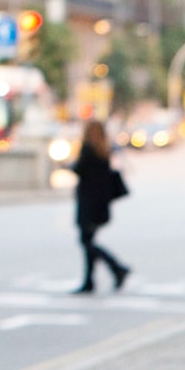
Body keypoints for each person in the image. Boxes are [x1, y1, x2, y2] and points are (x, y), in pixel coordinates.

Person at [71, 119, 130, 294]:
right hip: (100, 203)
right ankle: (90, 281)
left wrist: (70, 166)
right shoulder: (104, 149)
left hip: (88, 202)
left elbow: (80, 169)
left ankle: (117, 267)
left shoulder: (88, 148)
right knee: (88, 241)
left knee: (86, 241)